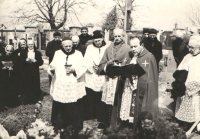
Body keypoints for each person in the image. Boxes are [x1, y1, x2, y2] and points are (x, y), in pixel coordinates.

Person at [47, 37, 86, 134]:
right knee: (60, 104)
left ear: (72, 45)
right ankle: (60, 124)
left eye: (70, 46)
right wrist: (51, 70)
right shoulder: (57, 53)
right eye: (66, 46)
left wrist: (74, 70)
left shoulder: (78, 54)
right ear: (62, 46)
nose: (68, 48)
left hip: (73, 83)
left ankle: (74, 125)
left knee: (74, 104)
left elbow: (83, 67)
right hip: (61, 82)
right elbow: (52, 66)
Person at [121, 38, 159, 132]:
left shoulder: (149, 57)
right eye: (131, 47)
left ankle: (139, 127)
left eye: (135, 46)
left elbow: (151, 77)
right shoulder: (131, 56)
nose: (133, 49)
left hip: (141, 88)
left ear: (141, 45)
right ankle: (130, 125)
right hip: (130, 87)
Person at [97, 28, 130, 129]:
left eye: (119, 36)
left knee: (117, 100)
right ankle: (106, 121)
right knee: (107, 101)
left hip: (119, 79)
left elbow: (129, 63)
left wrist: (119, 65)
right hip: (109, 79)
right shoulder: (108, 48)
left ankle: (117, 122)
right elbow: (101, 63)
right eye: (115, 36)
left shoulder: (127, 48)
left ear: (122, 37)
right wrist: (107, 64)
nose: (117, 38)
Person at [175, 35, 200, 131]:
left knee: (196, 106)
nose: (190, 49)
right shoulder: (187, 57)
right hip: (186, 87)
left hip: (198, 88)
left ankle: (197, 126)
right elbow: (180, 71)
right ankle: (187, 124)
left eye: (193, 47)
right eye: (189, 47)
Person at [83, 30, 108, 121]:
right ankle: (90, 113)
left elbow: (108, 59)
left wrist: (102, 67)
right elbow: (86, 60)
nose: (98, 43)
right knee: (91, 94)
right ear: (93, 41)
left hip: (101, 74)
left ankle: (99, 113)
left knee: (101, 94)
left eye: (99, 40)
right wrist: (92, 67)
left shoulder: (106, 47)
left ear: (102, 39)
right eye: (96, 41)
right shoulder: (89, 48)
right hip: (92, 73)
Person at [19, 40, 43, 104]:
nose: (30, 46)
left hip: (34, 71)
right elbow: (20, 62)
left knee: (34, 84)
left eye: (31, 44)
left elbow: (41, 62)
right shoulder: (23, 52)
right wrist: (25, 60)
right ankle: (26, 100)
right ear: (27, 45)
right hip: (26, 71)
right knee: (26, 84)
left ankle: (34, 99)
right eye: (29, 44)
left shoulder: (37, 53)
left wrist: (36, 61)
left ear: (34, 45)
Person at [0, 45, 18, 110]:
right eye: (8, 50)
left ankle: (11, 103)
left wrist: (13, 69)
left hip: (12, 77)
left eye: (10, 51)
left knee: (11, 89)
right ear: (5, 50)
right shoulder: (1, 57)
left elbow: (18, 67)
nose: (9, 52)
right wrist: (3, 68)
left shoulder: (15, 58)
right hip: (3, 77)